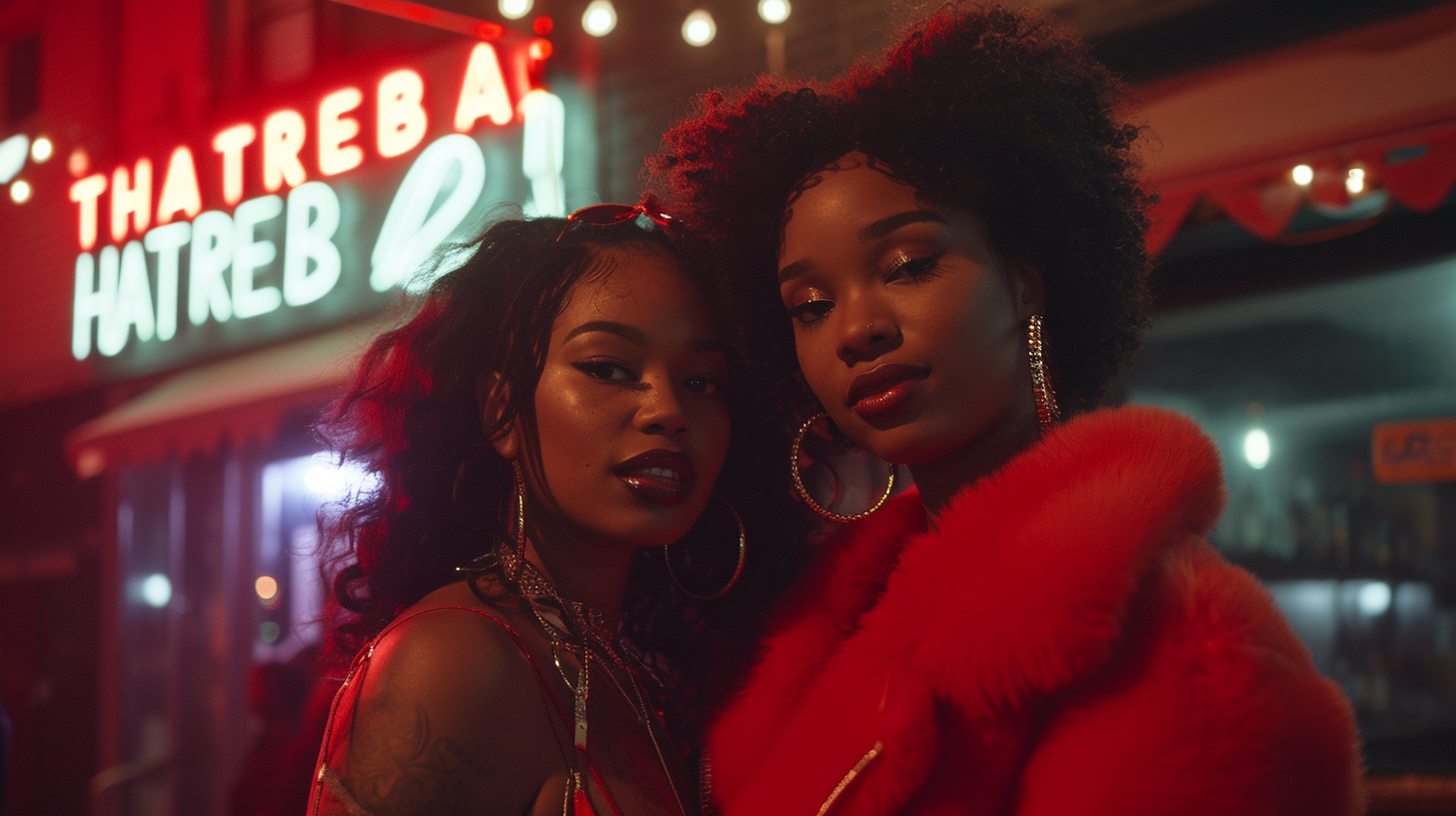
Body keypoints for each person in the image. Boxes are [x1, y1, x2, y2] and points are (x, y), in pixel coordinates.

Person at [648, 5, 1365, 815]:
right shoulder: (819, 632)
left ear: (1025, 278)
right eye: (810, 305)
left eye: (910, 263)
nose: (857, 328)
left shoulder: (1193, 650)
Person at [307, 210, 810, 816]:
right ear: (501, 412)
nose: (668, 409)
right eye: (608, 368)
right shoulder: (455, 661)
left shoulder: (622, 669)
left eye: (702, 382)